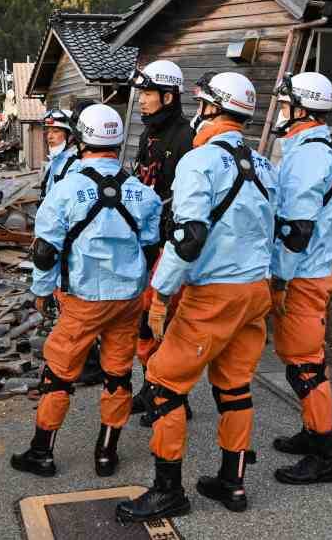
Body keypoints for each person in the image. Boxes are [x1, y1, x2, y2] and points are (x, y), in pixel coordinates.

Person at [117, 72, 276, 523]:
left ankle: (169, 491)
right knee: (234, 385)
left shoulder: (199, 161)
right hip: (255, 290)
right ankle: (233, 482)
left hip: (214, 293)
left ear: (208, 108)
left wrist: (162, 292)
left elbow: (187, 239)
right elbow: (278, 232)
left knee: (164, 386)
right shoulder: (264, 164)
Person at [12, 104, 162, 478]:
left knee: (60, 374)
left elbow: (46, 251)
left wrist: (42, 292)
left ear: (79, 140)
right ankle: (106, 454)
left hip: (83, 298)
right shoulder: (141, 193)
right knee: (118, 374)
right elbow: (150, 245)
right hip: (127, 299)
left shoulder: (65, 191)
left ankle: (42, 452)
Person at [268, 71, 332, 485]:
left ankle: (325, 455)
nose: (281, 112)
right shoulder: (321, 148)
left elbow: (296, 229)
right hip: (312, 270)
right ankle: (310, 431)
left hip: (302, 274)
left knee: (306, 367)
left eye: (285, 105)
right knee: (300, 361)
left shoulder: (308, 156)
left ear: (301, 108)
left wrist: (278, 279)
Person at [127, 60, 195, 416]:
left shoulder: (187, 137)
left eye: (148, 93)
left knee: (165, 323)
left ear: (168, 96)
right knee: (144, 323)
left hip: (171, 244)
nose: (141, 101)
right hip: (146, 242)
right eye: (141, 94)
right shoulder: (146, 134)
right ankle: (149, 386)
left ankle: (173, 397)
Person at [39, 109, 80, 200]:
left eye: (56, 131)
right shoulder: (55, 160)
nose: (49, 136)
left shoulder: (76, 166)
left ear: (71, 135)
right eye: (48, 132)